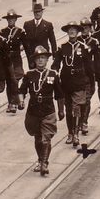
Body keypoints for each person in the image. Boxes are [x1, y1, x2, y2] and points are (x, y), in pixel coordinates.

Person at [18, 46, 65, 176]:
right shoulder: (29, 75)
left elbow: (60, 94)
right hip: (33, 111)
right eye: (38, 58)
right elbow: (21, 91)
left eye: (43, 58)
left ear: (47, 60)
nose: (40, 61)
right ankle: (40, 160)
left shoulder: (53, 75)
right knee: (38, 138)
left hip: (48, 111)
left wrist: (61, 110)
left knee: (46, 139)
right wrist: (21, 101)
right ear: (34, 60)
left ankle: (44, 163)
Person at [52, 21, 94, 147]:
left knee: (77, 108)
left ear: (78, 32)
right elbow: (56, 64)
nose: (72, 32)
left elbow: (89, 67)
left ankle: (75, 133)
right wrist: (54, 74)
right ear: (67, 32)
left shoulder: (83, 47)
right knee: (69, 109)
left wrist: (91, 83)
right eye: (69, 30)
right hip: (66, 82)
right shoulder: (62, 47)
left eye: (74, 30)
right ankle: (70, 132)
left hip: (79, 82)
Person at [0, 9, 26, 113]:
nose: (11, 21)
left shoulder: (20, 32)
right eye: (9, 19)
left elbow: (25, 45)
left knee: (15, 81)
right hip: (6, 60)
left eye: (12, 19)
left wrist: (22, 47)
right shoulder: (2, 32)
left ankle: (14, 102)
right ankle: (11, 102)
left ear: (15, 19)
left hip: (16, 60)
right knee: (9, 83)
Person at [22, 3, 57, 70]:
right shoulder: (27, 24)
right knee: (32, 72)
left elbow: (53, 41)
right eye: (35, 12)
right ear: (33, 13)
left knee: (42, 70)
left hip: (43, 53)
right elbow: (24, 39)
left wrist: (54, 55)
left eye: (39, 11)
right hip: (32, 54)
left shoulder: (48, 25)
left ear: (42, 12)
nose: (37, 13)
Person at [78, 17, 96, 135]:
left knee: (87, 100)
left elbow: (97, 59)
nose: (85, 30)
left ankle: (84, 122)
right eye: (83, 28)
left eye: (87, 28)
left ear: (90, 29)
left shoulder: (94, 42)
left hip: (89, 74)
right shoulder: (76, 41)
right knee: (79, 101)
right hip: (78, 75)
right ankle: (80, 121)